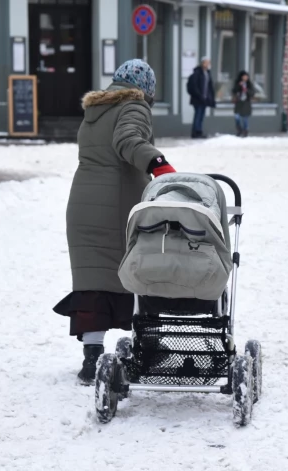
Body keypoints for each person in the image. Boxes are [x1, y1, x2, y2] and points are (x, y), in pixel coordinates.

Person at [52, 59, 177, 385]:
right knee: (138, 274)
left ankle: (91, 360)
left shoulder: (96, 110)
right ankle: (148, 348)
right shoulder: (134, 105)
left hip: (83, 206)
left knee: (94, 284)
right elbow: (128, 141)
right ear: (145, 88)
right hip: (117, 207)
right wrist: (158, 164)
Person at [187, 57, 216, 139]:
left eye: (208, 63)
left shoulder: (207, 73)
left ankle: (199, 130)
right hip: (198, 99)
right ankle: (196, 132)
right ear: (202, 63)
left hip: (205, 99)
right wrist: (199, 95)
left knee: (201, 115)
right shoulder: (197, 73)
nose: (207, 65)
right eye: (206, 63)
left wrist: (210, 98)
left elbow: (210, 87)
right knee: (198, 115)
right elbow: (194, 86)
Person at [232, 71, 255, 137]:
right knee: (237, 117)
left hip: (246, 103)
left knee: (245, 118)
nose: (245, 78)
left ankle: (245, 130)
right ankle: (239, 129)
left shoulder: (249, 84)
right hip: (239, 102)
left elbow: (252, 93)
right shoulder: (238, 83)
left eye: (246, 76)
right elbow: (234, 90)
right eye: (244, 76)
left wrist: (247, 90)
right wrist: (239, 86)